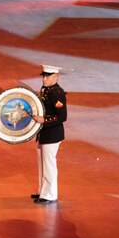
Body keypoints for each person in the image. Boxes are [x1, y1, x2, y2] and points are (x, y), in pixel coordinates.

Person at [32, 64, 67, 204]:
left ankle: (50, 194)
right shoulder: (46, 90)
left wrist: (43, 120)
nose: (44, 79)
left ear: (56, 77)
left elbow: (62, 116)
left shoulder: (57, 93)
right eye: (44, 76)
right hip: (44, 133)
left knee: (49, 164)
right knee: (42, 164)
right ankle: (42, 191)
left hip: (52, 134)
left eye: (48, 76)